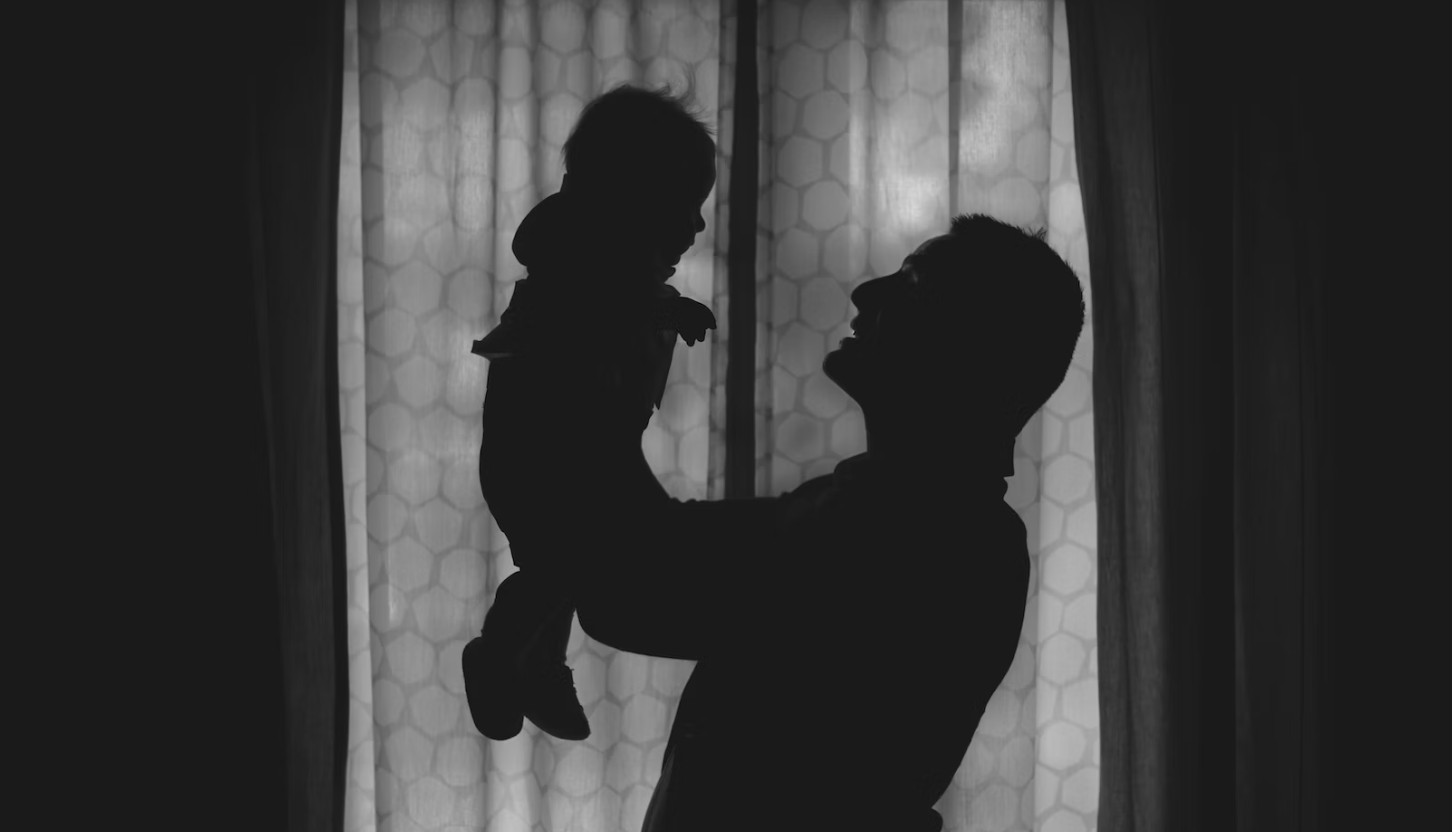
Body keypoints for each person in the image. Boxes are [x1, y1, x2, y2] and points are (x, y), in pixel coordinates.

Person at [553, 214, 1087, 831]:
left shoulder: (894, 530)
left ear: (968, 349)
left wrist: (604, 388)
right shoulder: (945, 525)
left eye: (912, 285)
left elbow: (628, 586)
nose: (866, 292)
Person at [461, 84, 719, 742]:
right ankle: (505, 653)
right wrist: (664, 308)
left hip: (561, 464)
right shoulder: (573, 260)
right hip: (543, 462)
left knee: (567, 564)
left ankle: (533, 661)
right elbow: (594, 304)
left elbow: (613, 300)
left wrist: (666, 307)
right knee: (565, 563)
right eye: (686, 206)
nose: (697, 227)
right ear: (631, 200)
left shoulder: (599, 267)